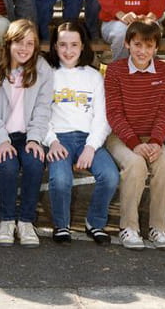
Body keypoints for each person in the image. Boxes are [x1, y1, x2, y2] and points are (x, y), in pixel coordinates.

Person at [0, 19, 52, 247]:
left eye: (30, 43)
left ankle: (26, 221)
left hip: (28, 135)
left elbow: (43, 109)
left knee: (35, 161)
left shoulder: (42, 70)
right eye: (19, 42)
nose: (24, 48)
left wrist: (35, 139)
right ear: (7, 43)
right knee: (7, 163)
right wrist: (2, 141)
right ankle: (7, 221)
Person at [104, 18, 165, 250]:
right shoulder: (115, 70)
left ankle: (158, 228)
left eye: (148, 46)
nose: (142, 51)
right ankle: (129, 227)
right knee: (135, 165)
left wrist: (156, 142)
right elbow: (114, 113)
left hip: (152, 137)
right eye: (137, 44)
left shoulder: (164, 71)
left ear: (156, 48)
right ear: (127, 44)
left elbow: (164, 111)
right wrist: (134, 143)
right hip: (121, 137)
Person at [44, 20, 118, 245]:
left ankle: (94, 223)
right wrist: (52, 141)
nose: (68, 50)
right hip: (59, 139)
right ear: (55, 46)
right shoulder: (47, 75)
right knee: (60, 180)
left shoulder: (94, 76)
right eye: (63, 45)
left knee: (110, 176)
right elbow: (39, 115)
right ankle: (61, 225)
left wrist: (91, 146)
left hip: (88, 139)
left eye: (74, 45)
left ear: (83, 46)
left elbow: (102, 117)